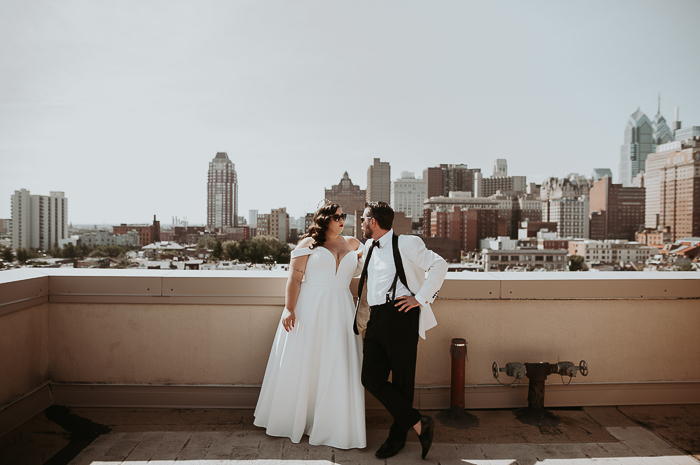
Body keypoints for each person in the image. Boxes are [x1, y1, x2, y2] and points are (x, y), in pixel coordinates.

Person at [254, 202, 366, 449]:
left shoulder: (354, 244)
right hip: (310, 308)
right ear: (324, 219)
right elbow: (294, 278)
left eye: (343, 216)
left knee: (337, 361)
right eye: (336, 217)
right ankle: (298, 420)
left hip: (341, 308)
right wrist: (289, 309)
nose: (341, 220)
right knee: (307, 360)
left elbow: (373, 266)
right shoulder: (308, 244)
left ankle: (333, 424)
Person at [355, 201, 447, 460]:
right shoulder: (369, 247)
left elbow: (439, 265)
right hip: (377, 319)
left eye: (363, 219)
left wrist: (420, 298)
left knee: (403, 382)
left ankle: (397, 438)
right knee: (370, 378)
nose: (361, 223)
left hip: (400, 315)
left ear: (372, 221)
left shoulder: (406, 243)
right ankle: (419, 423)